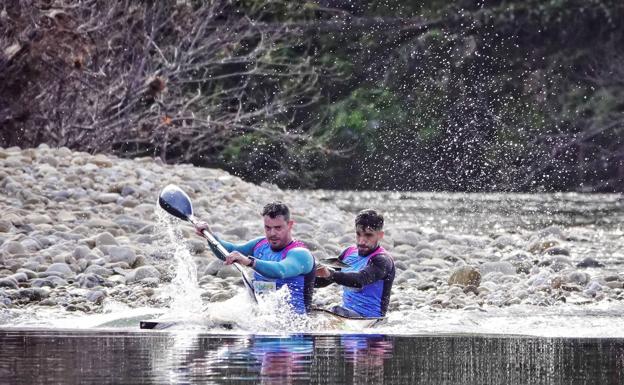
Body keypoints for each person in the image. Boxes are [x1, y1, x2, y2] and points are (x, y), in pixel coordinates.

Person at [194, 202, 315, 314]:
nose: (272, 233)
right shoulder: (259, 245)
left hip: (295, 328)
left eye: (278, 228)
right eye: (268, 228)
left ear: (290, 225)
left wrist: (249, 262)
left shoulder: (301, 254)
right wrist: (210, 236)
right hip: (261, 320)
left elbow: (281, 270)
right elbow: (227, 252)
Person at [315, 209, 395, 318]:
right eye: (358, 234)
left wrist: (329, 273)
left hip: (370, 320)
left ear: (380, 235)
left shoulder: (382, 260)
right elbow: (324, 281)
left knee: (333, 310)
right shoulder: (348, 252)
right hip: (346, 314)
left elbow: (359, 280)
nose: (362, 241)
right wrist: (307, 276)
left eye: (368, 235)